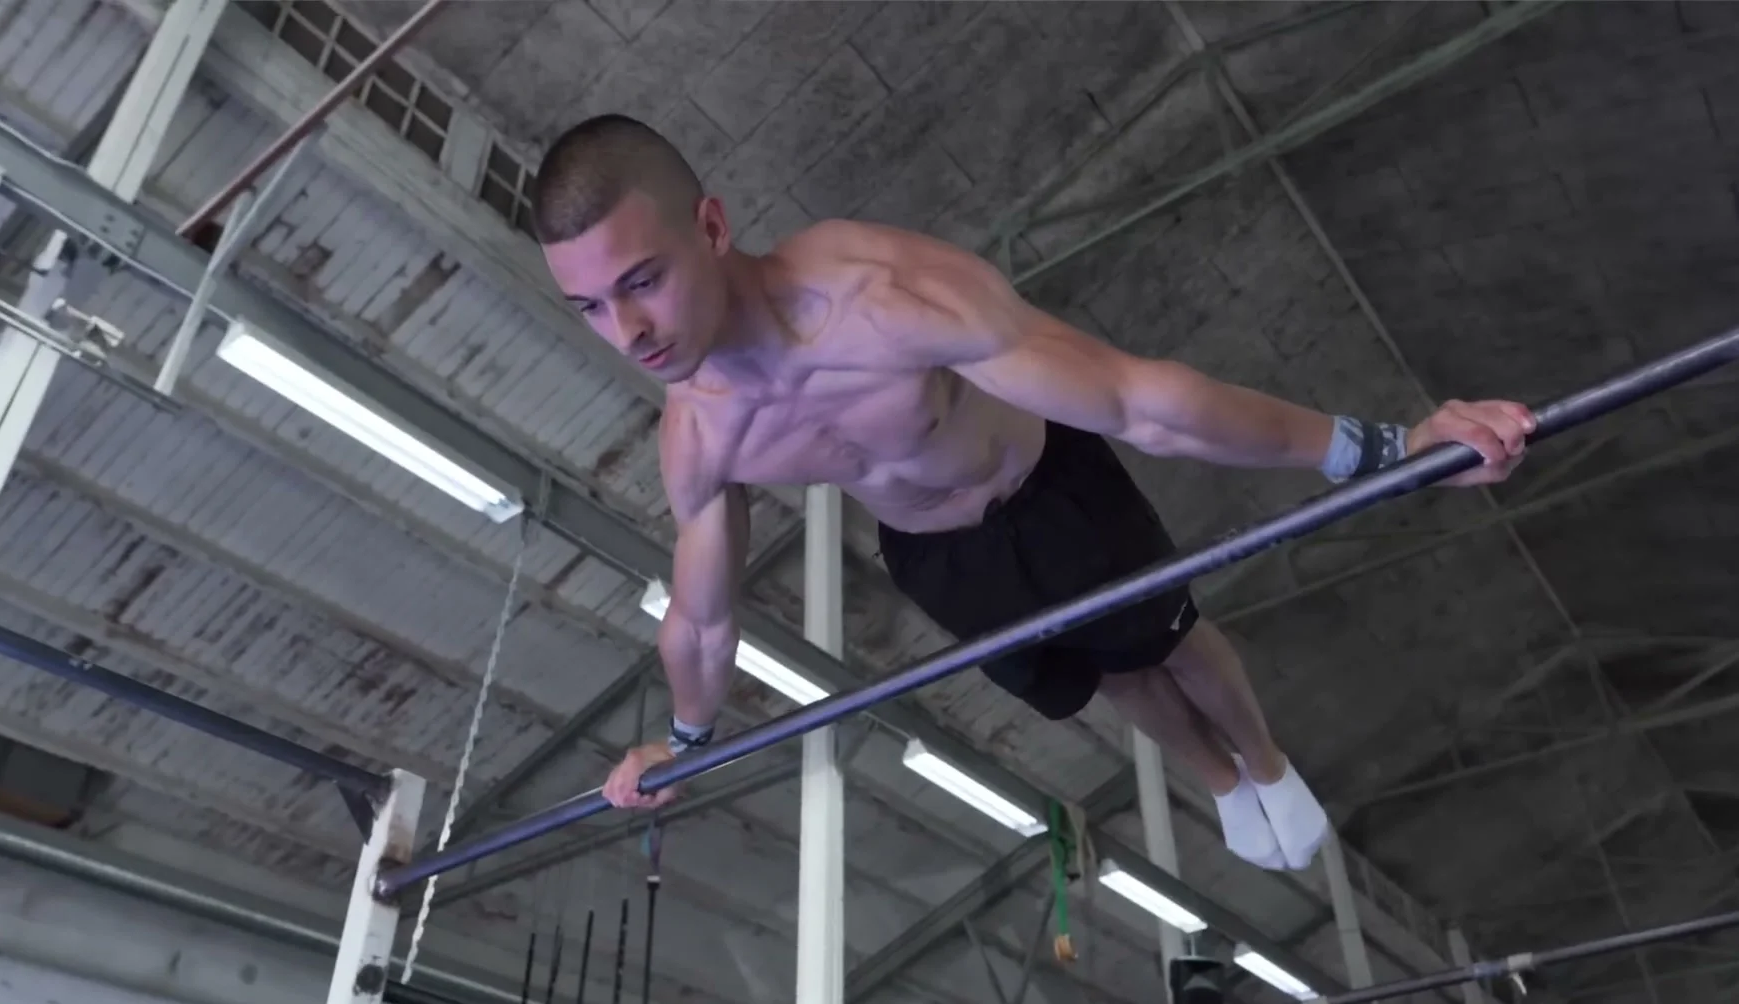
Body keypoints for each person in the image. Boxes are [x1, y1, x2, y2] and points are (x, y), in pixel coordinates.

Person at [530, 115, 1533, 871]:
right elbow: (703, 626)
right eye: (588, 308)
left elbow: (1144, 404)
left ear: (711, 224)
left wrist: (1386, 447)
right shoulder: (700, 436)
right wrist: (686, 741)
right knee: (1113, 677)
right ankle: (1223, 780)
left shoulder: (881, 298)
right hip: (935, 556)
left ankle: (1264, 758)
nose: (629, 333)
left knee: (1171, 640)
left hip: (1041, 483)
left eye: (642, 281)